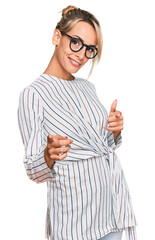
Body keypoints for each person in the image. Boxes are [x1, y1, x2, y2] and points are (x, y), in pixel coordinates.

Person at [17, 5, 138, 240]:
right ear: (57, 36)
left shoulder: (87, 87)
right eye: (76, 42)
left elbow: (103, 146)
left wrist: (114, 129)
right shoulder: (33, 94)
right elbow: (33, 170)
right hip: (75, 222)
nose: (81, 54)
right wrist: (49, 155)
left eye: (90, 49)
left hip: (111, 210)